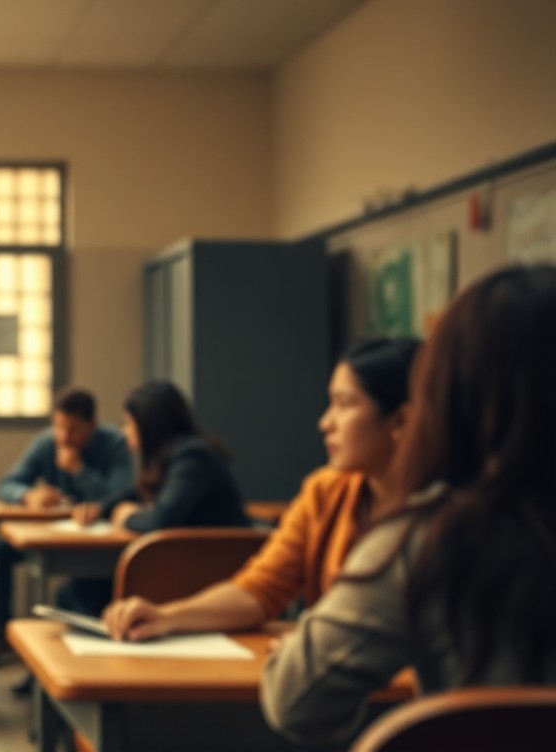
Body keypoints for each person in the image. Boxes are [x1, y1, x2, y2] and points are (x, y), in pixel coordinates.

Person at [262, 266, 556, 742]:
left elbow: (295, 703)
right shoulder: (333, 494)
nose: (325, 423)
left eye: (343, 403)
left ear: (443, 393)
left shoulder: (428, 538)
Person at [103, 337, 420, 646]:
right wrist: (165, 617)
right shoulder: (325, 491)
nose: (325, 423)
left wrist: (317, 647)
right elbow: (259, 590)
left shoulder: (451, 511)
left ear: (401, 420)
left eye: (344, 404)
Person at [0, 387, 133, 679]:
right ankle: (0, 637)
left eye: (73, 429)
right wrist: (27, 496)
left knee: (72, 592)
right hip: (53, 537)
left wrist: (79, 471)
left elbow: (121, 493)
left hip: (101, 544)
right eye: (58, 426)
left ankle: (50, 669)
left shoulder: (115, 445)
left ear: (92, 424)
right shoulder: (47, 442)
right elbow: (6, 483)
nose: (64, 437)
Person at [57, 380, 250, 616]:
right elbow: (133, 492)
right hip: (185, 564)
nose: (124, 431)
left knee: (77, 594)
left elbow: (161, 520)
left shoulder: (193, 457)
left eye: (129, 423)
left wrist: (129, 517)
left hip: (210, 572)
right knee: (76, 590)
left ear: (149, 426)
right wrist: (100, 508)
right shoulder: (169, 458)